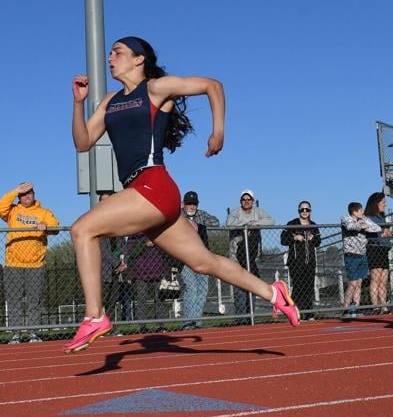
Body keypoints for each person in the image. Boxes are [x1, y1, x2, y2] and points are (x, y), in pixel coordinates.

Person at [67, 36, 298, 353]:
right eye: (109, 53)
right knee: (204, 263)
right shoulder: (108, 101)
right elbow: (82, 143)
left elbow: (213, 86)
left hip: (154, 185)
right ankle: (274, 293)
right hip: (138, 193)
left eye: (117, 52)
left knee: (82, 229)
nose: (110, 58)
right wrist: (79, 103)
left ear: (139, 60)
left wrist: (218, 130)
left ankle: (94, 316)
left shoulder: (156, 88)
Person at [0, 183, 59, 344]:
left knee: (34, 301)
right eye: (23, 194)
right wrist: (15, 190)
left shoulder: (44, 212)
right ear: (19, 197)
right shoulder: (13, 211)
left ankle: (33, 334)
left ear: (34, 194)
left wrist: (47, 227)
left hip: (35, 265)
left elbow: (56, 227)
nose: (27, 196)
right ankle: (15, 335)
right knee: (13, 301)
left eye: (29, 193)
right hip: (13, 264)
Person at [226, 189, 276, 324]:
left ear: (253, 201)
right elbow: (229, 224)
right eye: (244, 199)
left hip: (253, 257)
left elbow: (271, 221)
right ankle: (241, 319)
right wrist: (244, 226)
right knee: (240, 289)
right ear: (240, 201)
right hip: (237, 257)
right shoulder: (236, 212)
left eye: (249, 199)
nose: (247, 202)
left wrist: (255, 224)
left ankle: (251, 317)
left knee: (253, 286)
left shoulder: (258, 211)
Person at [179, 190, 220, 330]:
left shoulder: (200, 214)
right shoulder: (178, 215)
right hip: (185, 259)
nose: (192, 206)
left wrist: (198, 224)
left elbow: (216, 222)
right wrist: (185, 223)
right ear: (183, 204)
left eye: (194, 204)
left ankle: (197, 322)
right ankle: (188, 323)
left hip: (202, 257)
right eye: (189, 203)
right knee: (191, 289)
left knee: (203, 289)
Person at [280, 200, 321, 320]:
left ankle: (309, 314)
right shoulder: (292, 224)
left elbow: (318, 242)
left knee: (309, 287)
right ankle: (292, 312)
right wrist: (294, 237)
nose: (304, 211)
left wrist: (313, 238)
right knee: (298, 287)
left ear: (310, 211)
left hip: (310, 261)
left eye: (307, 209)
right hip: (296, 262)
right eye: (302, 209)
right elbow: (283, 239)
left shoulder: (313, 225)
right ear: (299, 211)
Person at [341, 202, 381, 316]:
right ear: (354, 212)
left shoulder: (364, 219)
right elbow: (349, 226)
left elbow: (377, 228)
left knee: (359, 283)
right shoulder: (345, 218)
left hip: (362, 254)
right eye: (360, 211)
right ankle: (345, 308)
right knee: (352, 283)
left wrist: (367, 227)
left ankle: (356, 308)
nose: (362, 213)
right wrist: (361, 226)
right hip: (351, 254)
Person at [98, 191, 129, 323]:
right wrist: (117, 263)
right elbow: (102, 249)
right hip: (103, 269)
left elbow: (123, 244)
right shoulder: (97, 221)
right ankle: (97, 326)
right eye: (103, 201)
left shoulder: (118, 221)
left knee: (113, 300)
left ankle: (110, 327)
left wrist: (124, 261)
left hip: (116, 271)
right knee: (101, 300)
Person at [365, 192, 393, 314]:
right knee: (376, 278)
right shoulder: (369, 218)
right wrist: (382, 234)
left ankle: (384, 306)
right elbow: (369, 234)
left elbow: (386, 232)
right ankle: (375, 306)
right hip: (374, 249)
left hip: (383, 249)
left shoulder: (382, 217)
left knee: (384, 278)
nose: (385, 204)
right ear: (376, 203)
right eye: (383, 202)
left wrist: (387, 234)